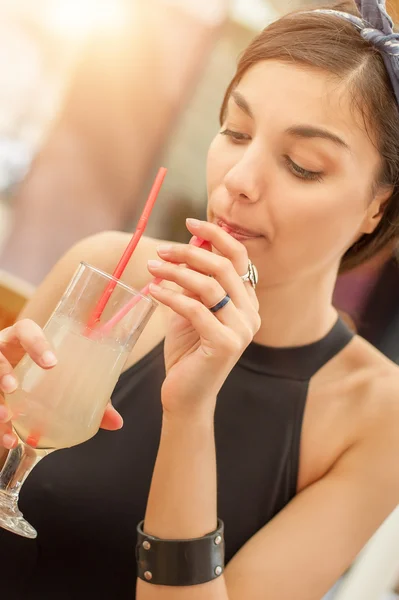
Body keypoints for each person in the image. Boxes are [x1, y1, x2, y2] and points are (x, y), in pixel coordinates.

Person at [0, 1, 399, 598]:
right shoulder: (110, 267)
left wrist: (189, 413)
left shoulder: (378, 415)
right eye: (235, 132)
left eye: (302, 165)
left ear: (378, 205)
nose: (238, 177)